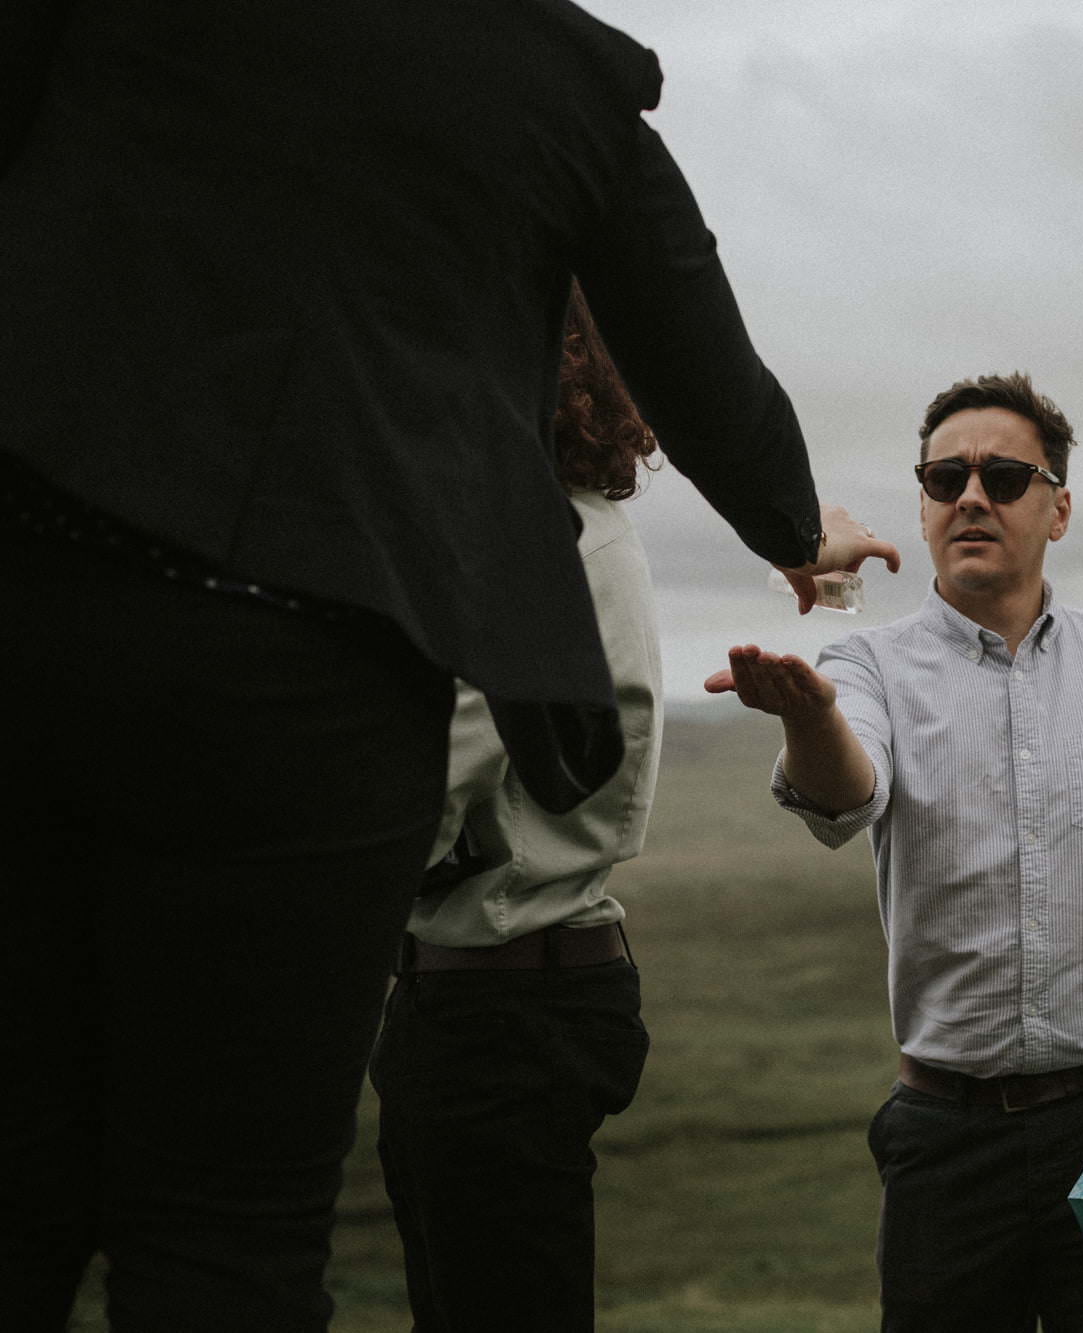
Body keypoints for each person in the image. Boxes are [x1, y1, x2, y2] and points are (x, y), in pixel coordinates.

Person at [0, 4, 892, 1328]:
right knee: (224, 1221)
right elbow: (699, 354)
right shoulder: (549, 71)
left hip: (39, 577)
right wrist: (794, 523)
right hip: (323, 658)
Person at [707, 372, 1083, 1331]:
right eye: (946, 477)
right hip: (947, 1137)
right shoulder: (865, 666)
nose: (972, 496)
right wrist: (813, 717)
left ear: (1058, 506)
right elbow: (843, 796)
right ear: (924, 502)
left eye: (1003, 475)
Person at [368, 290, 685, 1332]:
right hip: (470, 1001)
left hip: (504, 1010)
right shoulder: (530, 538)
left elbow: (426, 781)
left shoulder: (548, 547)